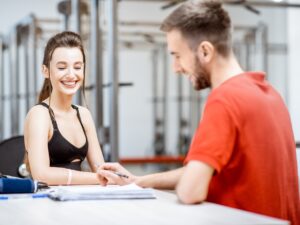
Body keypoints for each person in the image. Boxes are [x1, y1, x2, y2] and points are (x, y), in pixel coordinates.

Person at [97, 1, 300, 224]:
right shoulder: (270, 94)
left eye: (176, 55)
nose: (175, 68)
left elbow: (190, 190)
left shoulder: (224, 100)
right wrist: (140, 181)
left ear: (205, 51)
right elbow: (201, 172)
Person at [24, 31, 106, 186]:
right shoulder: (40, 115)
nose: (71, 74)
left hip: (78, 201)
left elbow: (99, 168)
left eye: (77, 67)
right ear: (45, 71)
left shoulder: (84, 114)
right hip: (48, 203)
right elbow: (41, 175)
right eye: (62, 67)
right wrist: (100, 178)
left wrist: (112, 176)